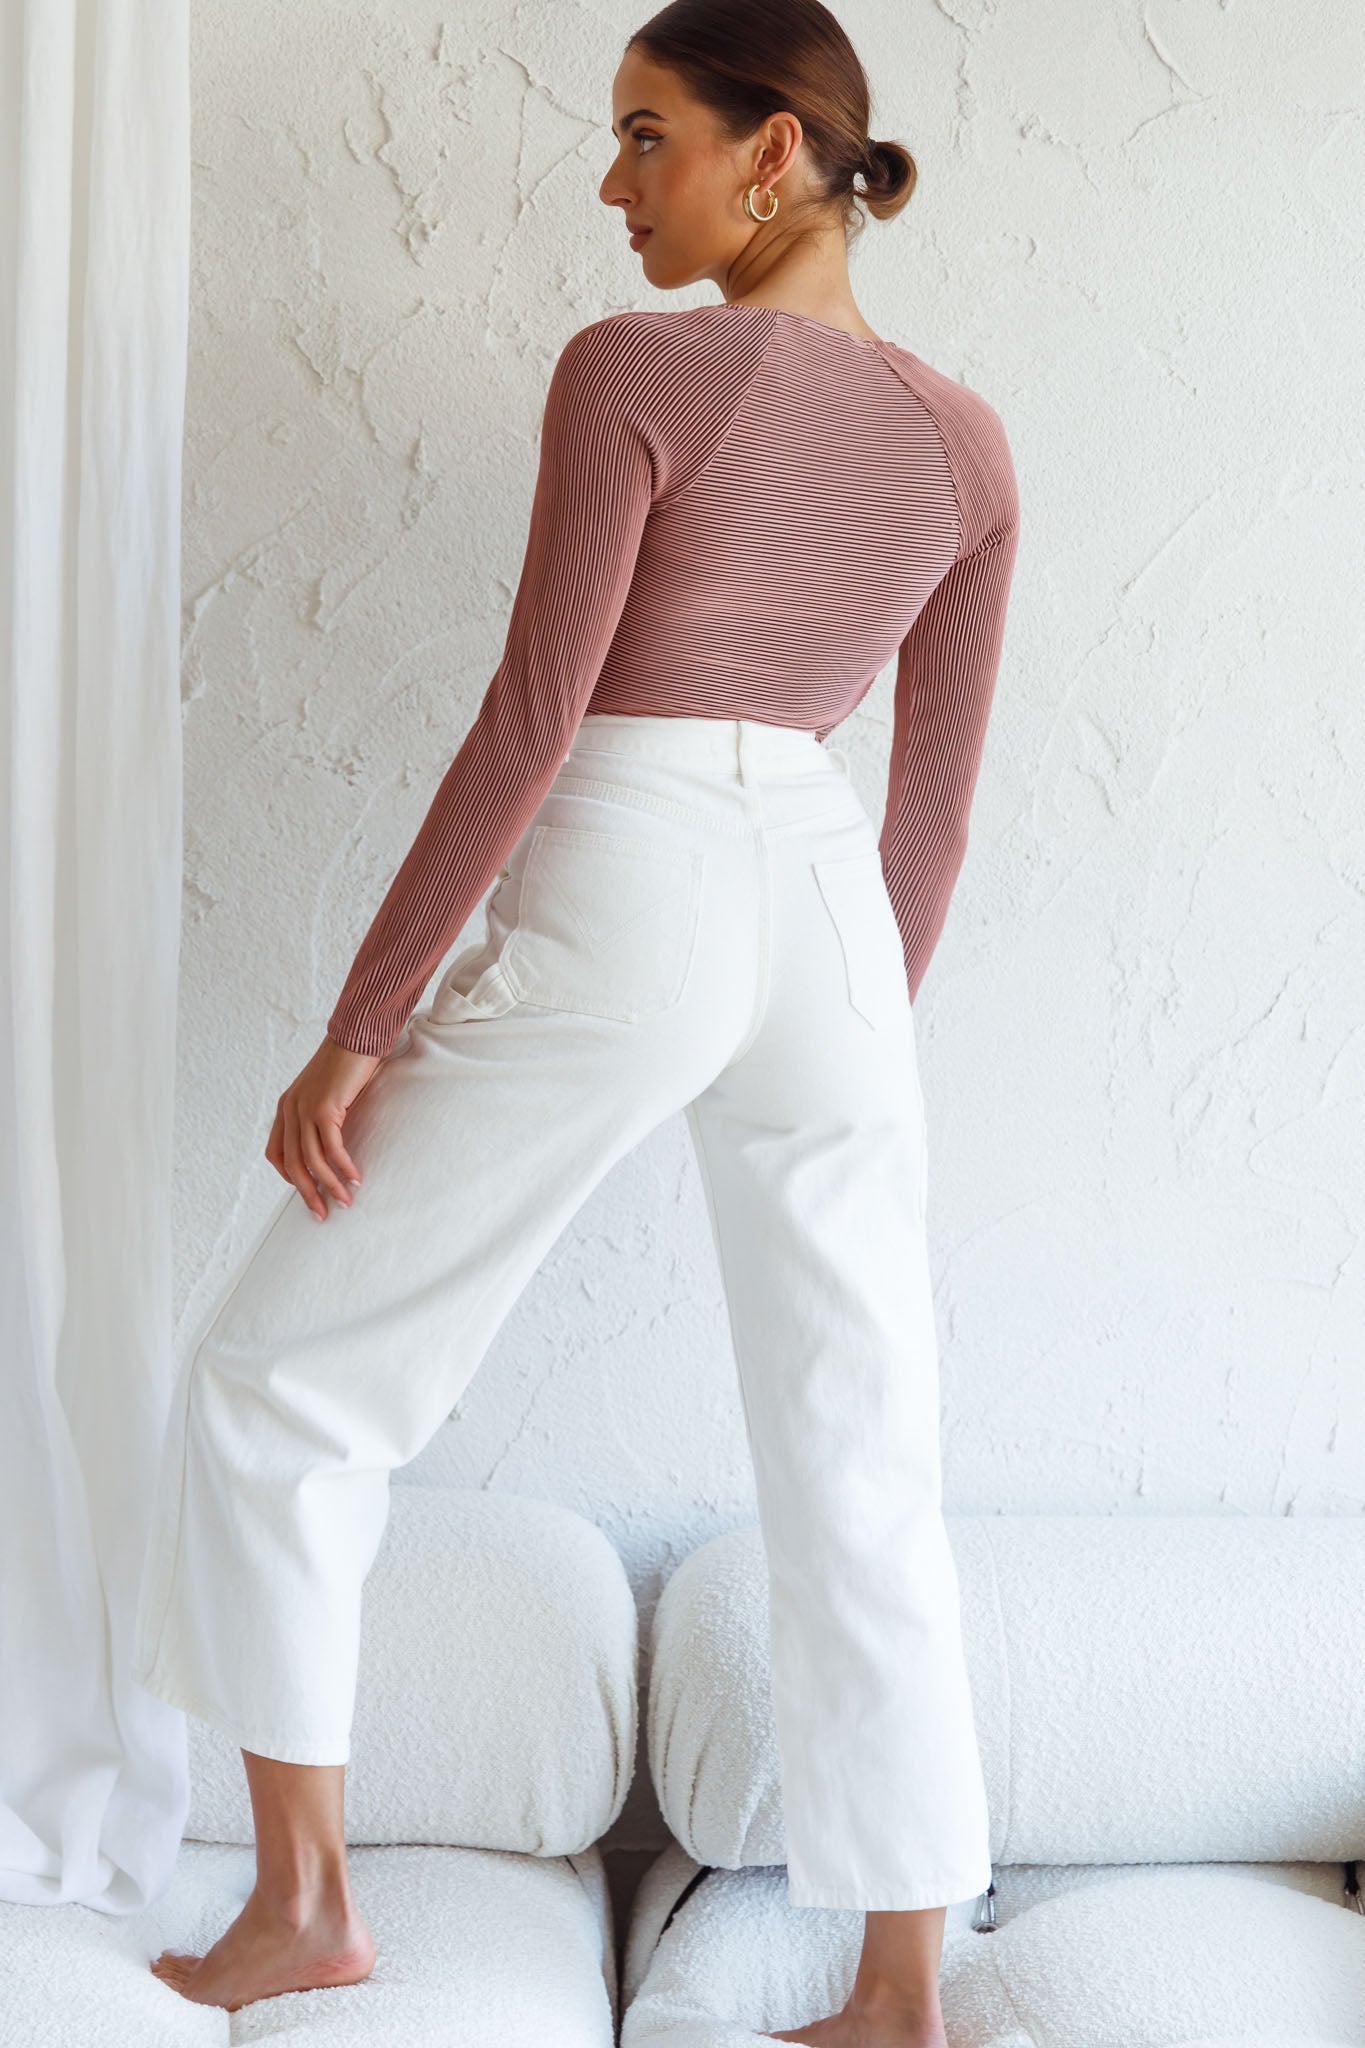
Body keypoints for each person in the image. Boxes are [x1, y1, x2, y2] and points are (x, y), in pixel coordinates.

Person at [132, 3, 1020, 2041]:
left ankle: (304, 1902)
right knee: (862, 1442)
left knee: (279, 1376)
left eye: (646, 136)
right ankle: (900, 1989)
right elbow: (935, 808)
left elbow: (534, 715)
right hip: (830, 910)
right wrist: (845, 1037)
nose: (613, 184)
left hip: (636, 856)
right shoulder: (965, 443)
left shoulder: (635, 370)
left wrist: (363, 1020)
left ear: (774, 152)